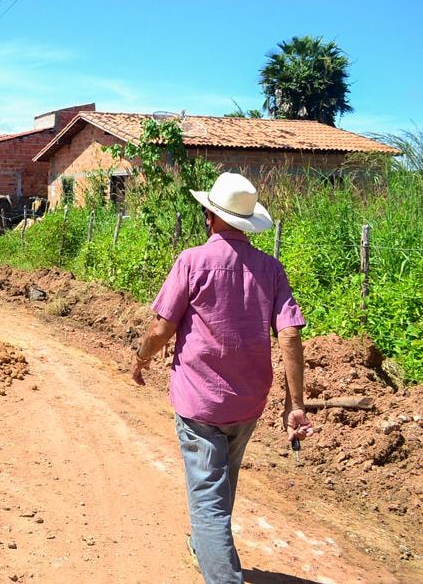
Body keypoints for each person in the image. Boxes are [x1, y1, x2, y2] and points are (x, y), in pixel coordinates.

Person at [131, 172, 312, 584]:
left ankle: (221, 573)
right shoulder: (270, 268)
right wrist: (295, 404)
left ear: (209, 215)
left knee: (207, 496)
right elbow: (289, 334)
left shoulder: (192, 261)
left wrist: (141, 360)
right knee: (221, 481)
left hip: (199, 403)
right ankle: (205, 543)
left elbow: (162, 330)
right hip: (247, 403)